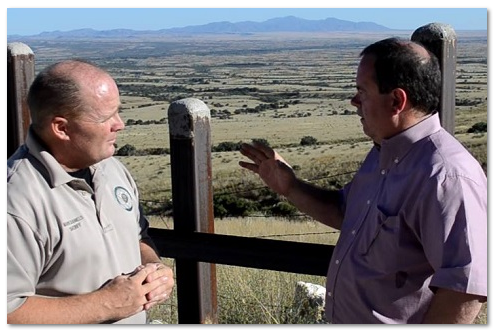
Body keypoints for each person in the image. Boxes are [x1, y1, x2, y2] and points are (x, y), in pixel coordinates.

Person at [239, 38, 487, 324]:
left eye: (362, 91)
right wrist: (290, 187)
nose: (354, 102)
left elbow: (464, 290)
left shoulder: (446, 176)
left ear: (396, 100)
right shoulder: (383, 152)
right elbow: (347, 213)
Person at [7, 59, 174, 324]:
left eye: (117, 112)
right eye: (106, 117)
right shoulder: (16, 202)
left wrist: (155, 268)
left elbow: (138, 236)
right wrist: (106, 304)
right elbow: (8, 312)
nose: (119, 124)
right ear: (61, 128)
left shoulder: (111, 169)